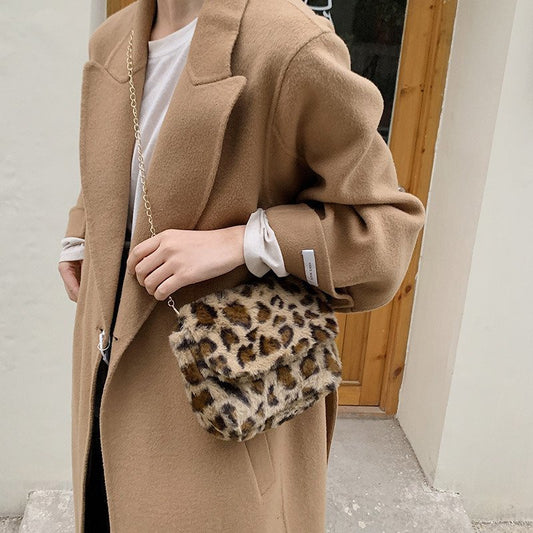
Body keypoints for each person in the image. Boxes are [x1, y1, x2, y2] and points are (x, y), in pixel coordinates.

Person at [58, 0, 426, 531]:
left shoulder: (289, 44)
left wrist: (247, 240)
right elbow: (128, 155)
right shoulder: (114, 39)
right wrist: (83, 227)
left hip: (220, 398)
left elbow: (384, 228)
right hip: (105, 375)